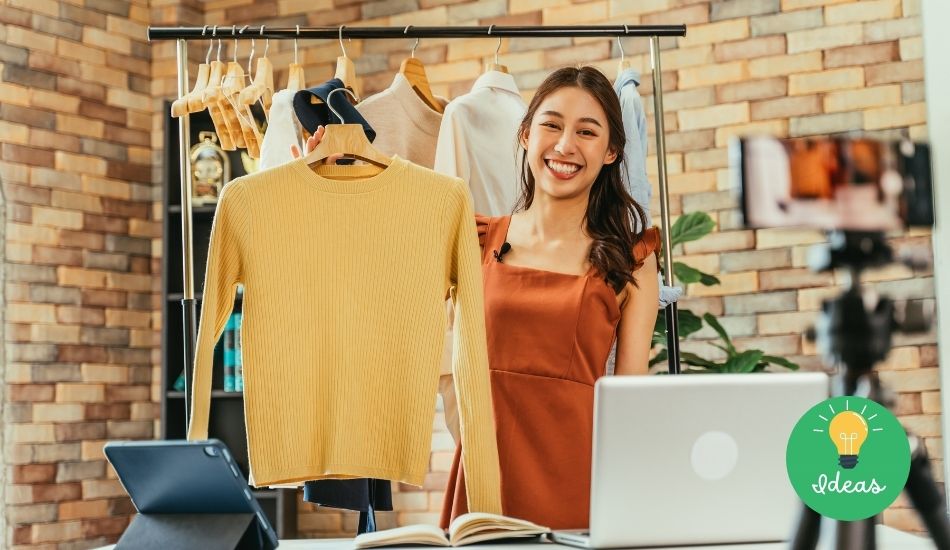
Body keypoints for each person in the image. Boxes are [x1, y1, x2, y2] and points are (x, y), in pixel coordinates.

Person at [293, 66, 660, 530]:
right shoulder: (474, 237)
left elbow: (630, 406)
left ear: (610, 152)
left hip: (581, 485)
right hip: (484, 483)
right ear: (525, 135)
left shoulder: (633, 258)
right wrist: (320, 189)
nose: (565, 145)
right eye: (551, 124)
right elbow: (369, 275)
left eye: (586, 132)